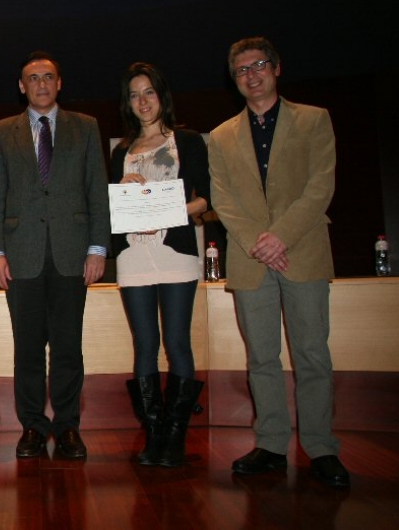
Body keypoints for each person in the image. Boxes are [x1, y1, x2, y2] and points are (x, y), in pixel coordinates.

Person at [208, 36, 349, 488]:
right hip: (251, 259)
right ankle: (270, 444)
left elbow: (320, 186)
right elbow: (223, 200)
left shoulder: (314, 119)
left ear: (276, 68)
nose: (252, 75)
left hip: (302, 252)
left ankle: (321, 447)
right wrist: (257, 242)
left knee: (311, 354)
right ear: (235, 80)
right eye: (242, 70)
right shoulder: (221, 135)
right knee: (262, 358)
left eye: (259, 65)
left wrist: (279, 236)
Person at [0, 51, 111, 459]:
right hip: (20, 257)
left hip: (74, 254)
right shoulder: (2, 133)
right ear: (22, 86)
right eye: (32, 78)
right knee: (28, 348)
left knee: (69, 347)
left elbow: (97, 191)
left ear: (59, 83)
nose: (41, 84)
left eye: (48, 77)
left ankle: (68, 427)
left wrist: (97, 247)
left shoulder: (86, 128)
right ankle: (33, 428)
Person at [110, 62, 209, 467]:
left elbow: (207, 200)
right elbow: (114, 209)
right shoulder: (120, 151)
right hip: (134, 257)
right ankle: (153, 435)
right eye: (134, 95)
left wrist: (169, 210)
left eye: (148, 92)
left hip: (174, 255)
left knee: (178, 343)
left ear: (161, 95)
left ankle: (175, 438)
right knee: (145, 346)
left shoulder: (186, 141)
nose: (142, 101)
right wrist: (122, 190)